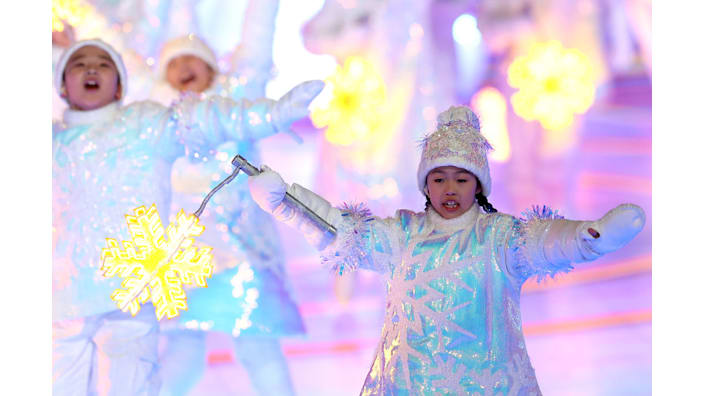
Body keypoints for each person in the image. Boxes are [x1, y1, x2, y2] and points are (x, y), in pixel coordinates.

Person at [247, 105, 645, 395]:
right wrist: (285, 201)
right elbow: (342, 231)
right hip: (409, 382)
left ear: (478, 185)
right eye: (438, 179)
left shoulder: (500, 237)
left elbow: (545, 242)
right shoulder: (403, 235)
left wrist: (590, 238)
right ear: (426, 185)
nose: (449, 189)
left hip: (487, 384)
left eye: (461, 178)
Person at [52, 38, 322, 396]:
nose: (90, 69)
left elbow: (205, 119)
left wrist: (274, 114)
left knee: (136, 379)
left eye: (102, 64)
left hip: (129, 300)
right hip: (63, 302)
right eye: (78, 63)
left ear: (120, 85)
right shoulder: (49, 142)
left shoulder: (144, 125)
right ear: (60, 84)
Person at [153, 3, 307, 395]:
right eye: (176, 61)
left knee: (260, 350)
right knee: (181, 353)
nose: (186, 67)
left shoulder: (235, 101)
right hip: (183, 262)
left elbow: (254, 49)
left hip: (244, 254)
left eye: (195, 60)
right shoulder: (153, 116)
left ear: (212, 69)